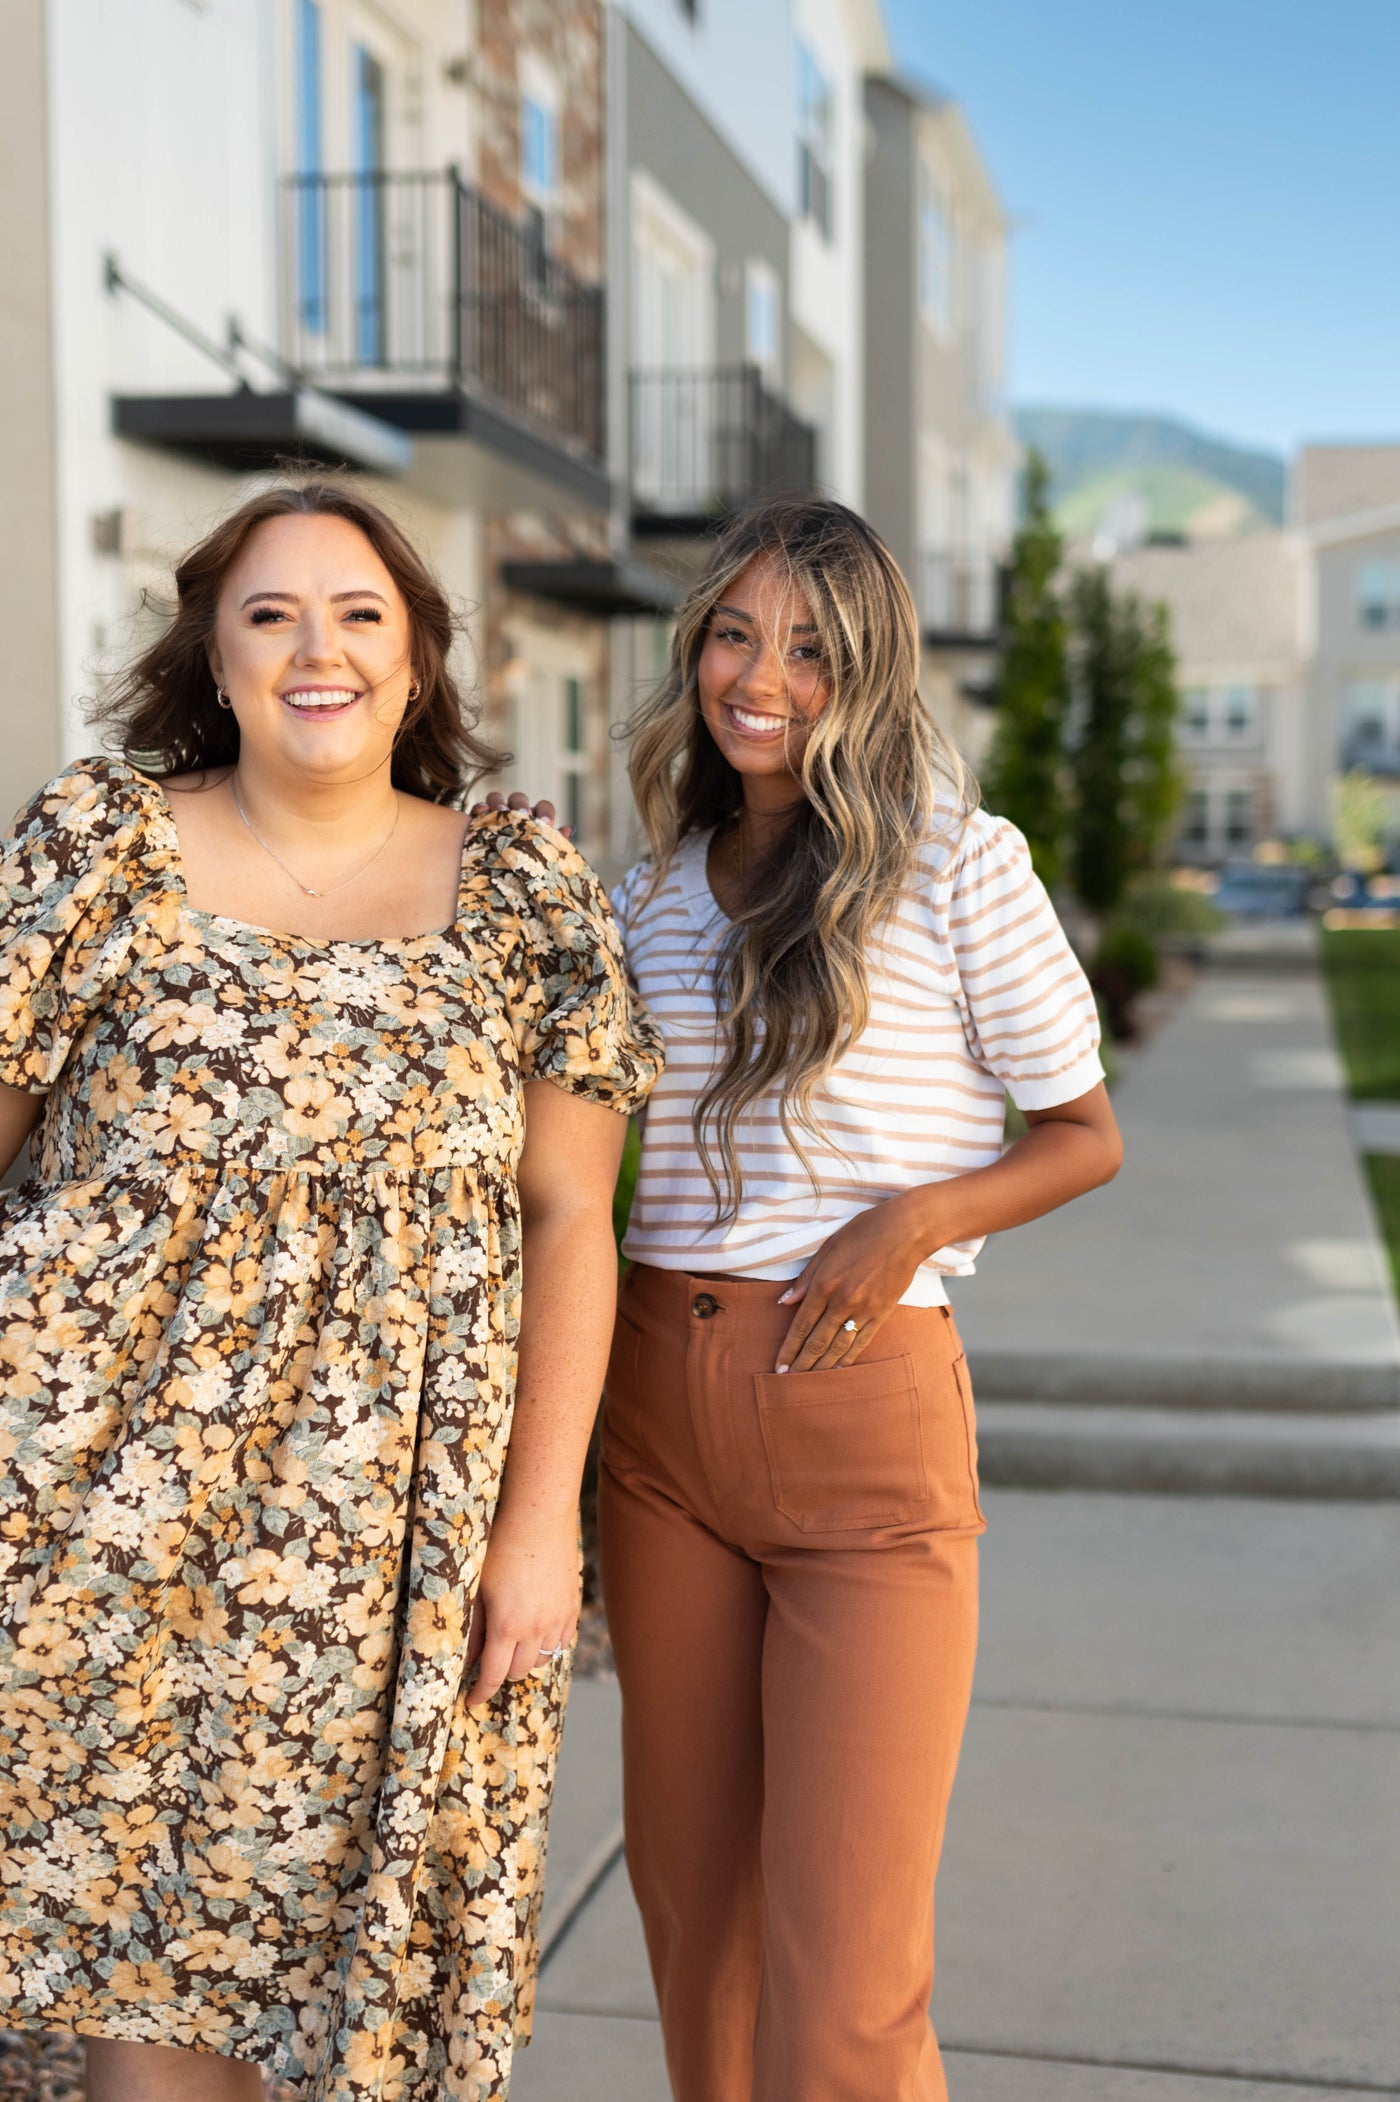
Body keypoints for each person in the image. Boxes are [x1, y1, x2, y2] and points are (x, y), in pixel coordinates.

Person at [0, 481, 661, 2102]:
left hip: (396, 1552)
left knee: (355, 2001)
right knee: (135, 1970)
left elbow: (576, 1216)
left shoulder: (518, 887)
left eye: (362, 615)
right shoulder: (99, 846)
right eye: (271, 614)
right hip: (100, 1520)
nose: (321, 650)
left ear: (422, 660)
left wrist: (537, 1529)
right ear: (210, 660)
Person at [597, 494, 1123, 2102]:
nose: (762, 676)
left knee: (848, 1970)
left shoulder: (961, 863)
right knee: (696, 1927)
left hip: (863, 1427)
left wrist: (917, 1221)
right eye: (736, 635)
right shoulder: (657, 885)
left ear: (871, 670)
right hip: (658, 1430)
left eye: (812, 649)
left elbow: (1085, 1133)